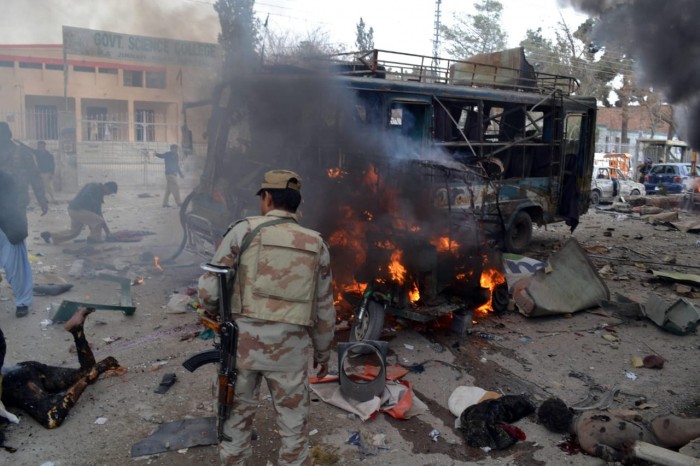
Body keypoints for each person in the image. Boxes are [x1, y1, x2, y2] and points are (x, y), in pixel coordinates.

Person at [197, 169, 336, 465]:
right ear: (297, 202)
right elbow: (324, 308)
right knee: (294, 427)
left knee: (234, 423)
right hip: (290, 352)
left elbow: (209, 291)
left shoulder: (242, 231)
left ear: (268, 197)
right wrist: (323, 353)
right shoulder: (316, 244)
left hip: (241, 349)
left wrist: (213, 311)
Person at [0, 307, 121, 429]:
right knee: (84, 373)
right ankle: (77, 330)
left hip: (14, 381)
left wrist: (91, 375)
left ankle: (92, 372)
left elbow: (52, 418)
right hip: (21, 370)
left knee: (51, 417)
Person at [538, 397, 700, 462]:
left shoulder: (585, 439)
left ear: (553, 427)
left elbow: (615, 456)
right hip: (654, 432)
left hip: (652, 445)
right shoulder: (590, 413)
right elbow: (631, 416)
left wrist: (627, 454)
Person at [0, 122, 48, 318]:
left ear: (8, 135)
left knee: (16, 260)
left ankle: (22, 301)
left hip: (14, 213)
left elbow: (35, 177)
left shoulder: (22, 154)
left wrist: (42, 199)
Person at [40, 181, 118, 245]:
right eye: (110, 192)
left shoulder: (99, 193)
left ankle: (50, 235)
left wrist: (107, 232)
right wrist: (92, 219)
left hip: (74, 210)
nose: (108, 194)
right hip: (77, 209)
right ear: (106, 186)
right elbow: (87, 195)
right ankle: (94, 239)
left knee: (74, 232)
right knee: (98, 221)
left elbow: (99, 213)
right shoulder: (94, 186)